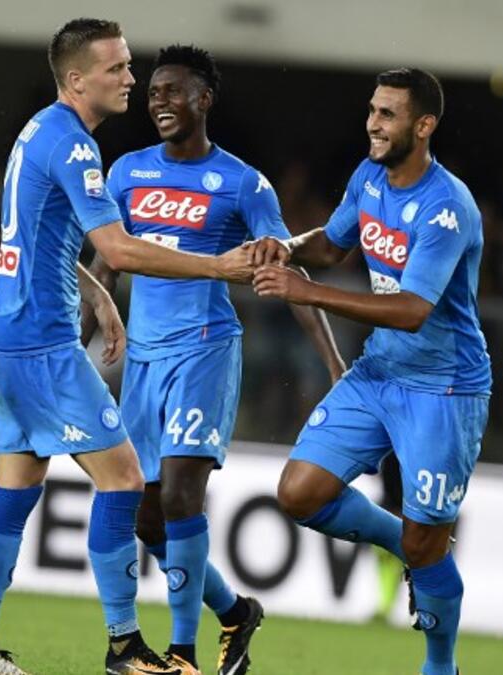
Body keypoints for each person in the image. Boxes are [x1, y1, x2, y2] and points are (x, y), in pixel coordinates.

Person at [0, 18, 252, 675]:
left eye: (129, 65)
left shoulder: (39, 130)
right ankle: (124, 648)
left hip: (8, 328)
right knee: (123, 478)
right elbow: (116, 247)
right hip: (43, 340)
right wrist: (217, 266)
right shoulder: (78, 148)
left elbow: (38, 233)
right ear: (78, 79)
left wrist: (96, 292)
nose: (131, 79)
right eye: (117, 69)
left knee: (18, 480)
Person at [82, 44, 345, 675]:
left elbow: (288, 271)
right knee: (147, 519)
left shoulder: (243, 183)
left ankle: (181, 656)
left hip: (204, 351)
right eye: (153, 92)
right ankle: (235, 612)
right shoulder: (126, 173)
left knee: (179, 496)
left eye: (174, 91)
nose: (160, 101)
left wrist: (335, 367)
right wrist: (79, 334)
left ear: (204, 99)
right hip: (143, 359)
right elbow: (106, 263)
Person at [248, 67, 491, 675]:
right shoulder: (367, 176)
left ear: (424, 125)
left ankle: (440, 666)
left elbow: (412, 310)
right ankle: (400, 545)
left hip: (445, 386)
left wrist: (308, 292)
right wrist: (285, 248)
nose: (373, 124)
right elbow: (333, 245)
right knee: (299, 494)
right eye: (372, 111)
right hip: (380, 371)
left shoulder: (446, 207)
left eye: (387, 114)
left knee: (427, 542)